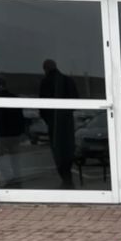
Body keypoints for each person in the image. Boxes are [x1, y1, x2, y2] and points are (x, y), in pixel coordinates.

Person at [39, 59, 78, 189]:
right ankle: (67, 178)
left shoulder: (46, 82)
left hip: (55, 122)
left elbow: (42, 106)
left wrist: (48, 119)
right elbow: (75, 101)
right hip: (67, 122)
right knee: (68, 149)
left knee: (58, 151)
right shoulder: (68, 80)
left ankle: (66, 179)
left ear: (46, 69)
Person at [0, 77, 25, 187]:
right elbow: (20, 117)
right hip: (15, 134)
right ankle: (17, 178)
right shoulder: (14, 98)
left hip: (1, 134)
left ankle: (10, 179)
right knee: (15, 159)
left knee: (0, 158)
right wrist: (22, 131)